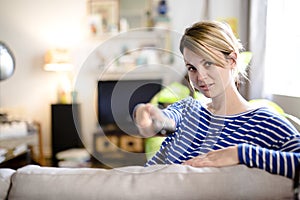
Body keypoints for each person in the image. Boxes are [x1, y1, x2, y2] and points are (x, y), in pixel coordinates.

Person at [133, 20, 300, 179]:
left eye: (208, 63)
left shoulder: (264, 122)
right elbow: (165, 120)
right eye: (192, 68)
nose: (200, 77)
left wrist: (240, 153)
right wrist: (146, 117)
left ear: (232, 60)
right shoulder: (187, 109)